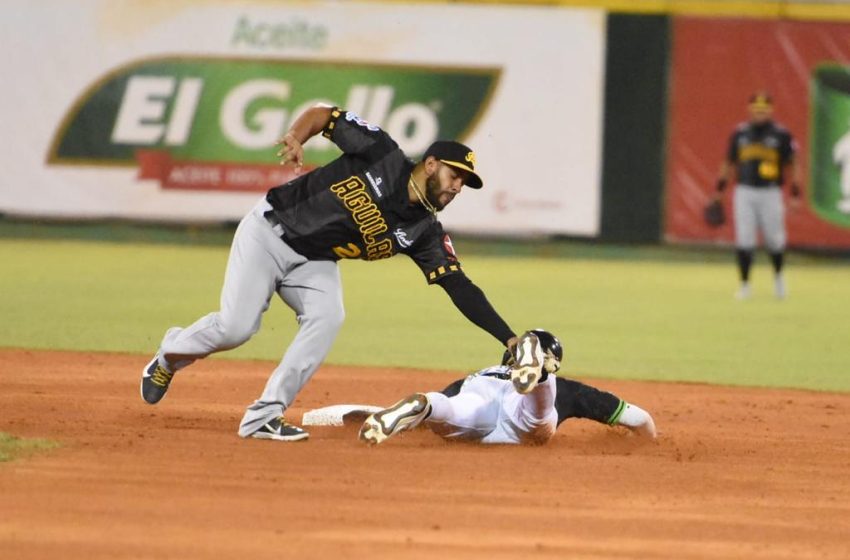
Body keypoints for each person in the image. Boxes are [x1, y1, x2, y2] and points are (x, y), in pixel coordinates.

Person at [140, 103, 518, 442]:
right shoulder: (381, 153)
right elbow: (325, 116)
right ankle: (170, 355)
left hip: (315, 259)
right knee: (236, 328)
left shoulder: (425, 232)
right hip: (269, 232)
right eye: (455, 175)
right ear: (432, 164)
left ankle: (264, 416)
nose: (457, 187)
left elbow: (458, 285)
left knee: (328, 316)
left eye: (464, 183)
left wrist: (508, 338)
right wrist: (295, 135)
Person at [358, 330, 656, 445]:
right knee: (537, 418)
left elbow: (421, 425)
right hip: (518, 416)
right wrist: (648, 442)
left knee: (449, 411)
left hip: (479, 390)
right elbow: (638, 418)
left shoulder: (477, 375)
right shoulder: (569, 389)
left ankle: (426, 401)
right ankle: (539, 379)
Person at [713, 91, 803, 300]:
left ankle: (779, 279)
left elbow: (794, 165)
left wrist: (795, 193)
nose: (760, 114)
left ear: (771, 111)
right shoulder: (740, 133)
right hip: (744, 191)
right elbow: (728, 163)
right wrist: (719, 190)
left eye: (763, 110)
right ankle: (745, 285)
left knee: (774, 239)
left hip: (771, 192)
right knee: (744, 239)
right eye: (756, 110)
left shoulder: (781, 134)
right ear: (750, 110)